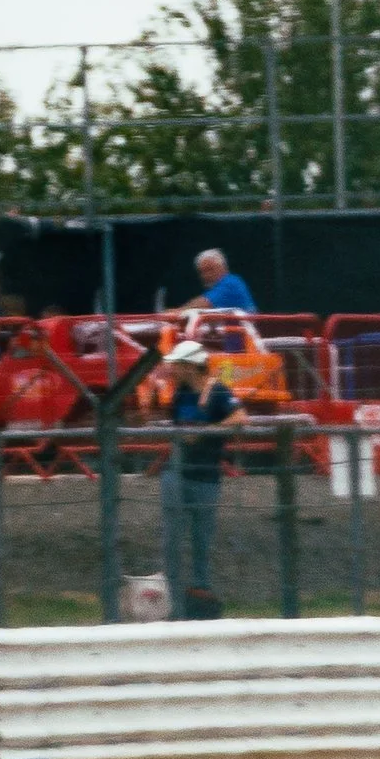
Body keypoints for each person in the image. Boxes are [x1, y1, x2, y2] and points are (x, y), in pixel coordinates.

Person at [159, 339, 244, 607]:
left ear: (190, 366)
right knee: (172, 536)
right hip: (178, 472)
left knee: (201, 538)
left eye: (177, 365)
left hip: (206, 475)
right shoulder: (180, 393)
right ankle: (172, 593)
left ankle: (199, 590)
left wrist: (205, 432)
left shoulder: (217, 392)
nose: (172, 369)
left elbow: (240, 418)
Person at [179, 249, 258, 315]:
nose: (205, 276)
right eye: (202, 272)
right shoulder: (217, 287)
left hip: (243, 332)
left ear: (223, 268)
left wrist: (175, 312)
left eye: (210, 270)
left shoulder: (231, 283)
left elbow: (202, 304)